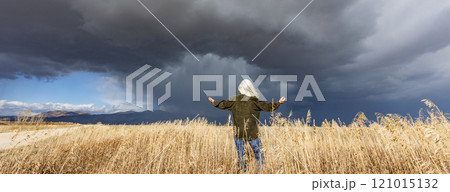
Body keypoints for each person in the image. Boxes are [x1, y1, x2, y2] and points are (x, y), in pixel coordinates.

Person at [208, 79, 285, 172]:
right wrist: (278, 103)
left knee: (241, 156)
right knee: (259, 154)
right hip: (252, 133)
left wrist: (214, 102)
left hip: (238, 133)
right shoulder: (254, 101)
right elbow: (268, 107)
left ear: (241, 89)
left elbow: (223, 104)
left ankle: (243, 172)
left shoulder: (235, 99)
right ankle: (260, 172)